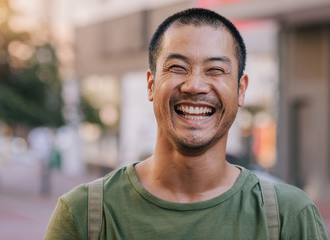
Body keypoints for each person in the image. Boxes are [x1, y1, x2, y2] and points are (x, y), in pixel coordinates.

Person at [44, 8, 328, 239]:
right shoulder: (86, 215)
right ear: (151, 84)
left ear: (241, 90)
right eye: (177, 68)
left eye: (215, 70)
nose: (194, 85)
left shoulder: (289, 216)